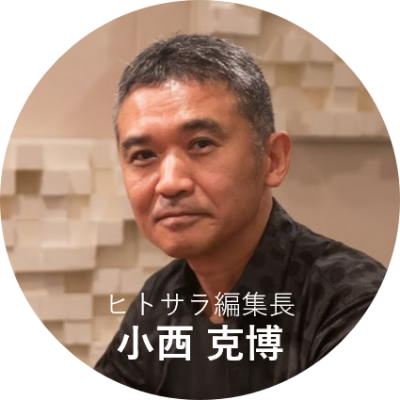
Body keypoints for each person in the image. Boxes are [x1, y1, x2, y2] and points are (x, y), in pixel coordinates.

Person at [94, 33, 386, 398]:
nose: (169, 183)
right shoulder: (161, 296)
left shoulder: (354, 302)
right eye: (143, 155)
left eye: (201, 144)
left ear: (272, 159)